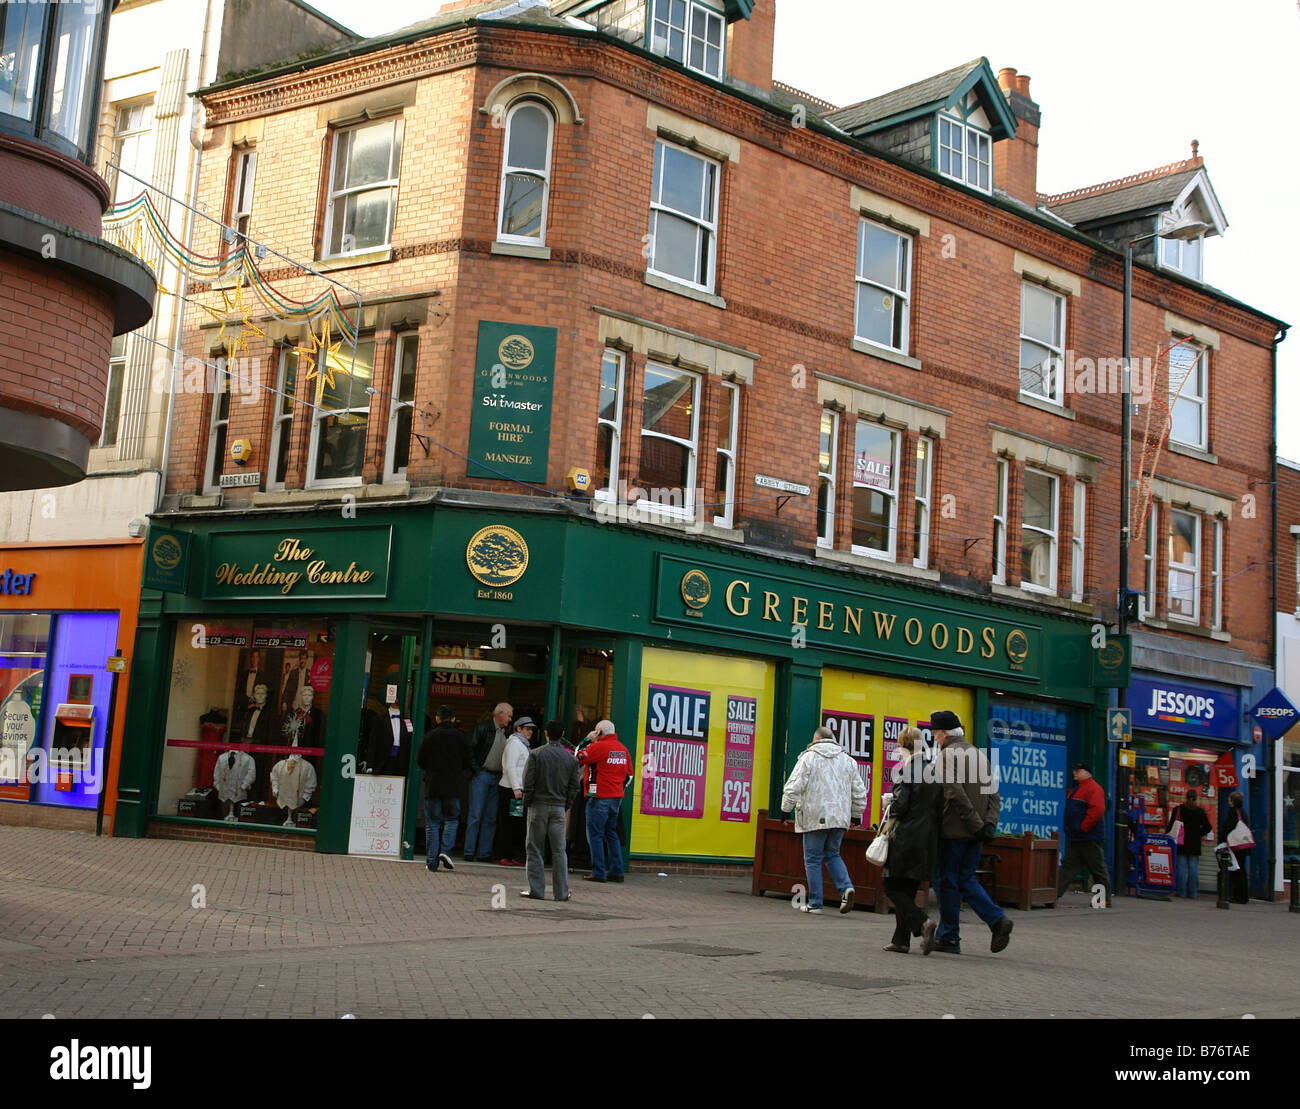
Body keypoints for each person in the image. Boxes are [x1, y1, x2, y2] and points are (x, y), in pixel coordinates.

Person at [925, 710, 1012, 955]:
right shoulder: (977, 754)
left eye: (935, 734)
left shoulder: (946, 755)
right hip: (977, 832)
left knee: (946, 881)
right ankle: (996, 921)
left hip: (953, 830)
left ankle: (951, 936)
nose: (935, 739)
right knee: (965, 878)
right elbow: (993, 795)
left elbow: (953, 792)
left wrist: (974, 823)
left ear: (943, 733)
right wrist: (988, 825)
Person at [779, 725, 867, 915]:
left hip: (814, 815)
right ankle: (846, 888)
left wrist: (785, 810)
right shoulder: (848, 761)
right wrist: (856, 815)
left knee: (812, 859)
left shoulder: (808, 758)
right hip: (839, 817)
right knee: (833, 853)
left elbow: (794, 786)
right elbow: (859, 791)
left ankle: (815, 903)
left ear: (816, 739)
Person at [880, 726, 943, 952]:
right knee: (907, 889)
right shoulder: (933, 771)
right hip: (927, 840)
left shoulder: (907, 771)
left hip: (906, 836)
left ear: (903, 746)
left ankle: (922, 922)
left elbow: (900, 806)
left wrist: (888, 802)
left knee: (891, 886)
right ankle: (901, 940)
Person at [520, 720, 583, 900]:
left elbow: (528, 782)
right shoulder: (571, 759)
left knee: (534, 848)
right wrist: (566, 805)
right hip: (558, 807)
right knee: (559, 851)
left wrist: (529, 802)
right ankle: (561, 893)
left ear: (546, 733)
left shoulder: (536, 754)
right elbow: (574, 787)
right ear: (563, 734)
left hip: (538, 806)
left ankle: (537, 890)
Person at [416, 705, 473, 872]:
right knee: (452, 820)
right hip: (453, 785)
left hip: (433, 784)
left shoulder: (429, 736)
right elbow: (469, 761)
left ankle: (431, 862)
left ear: (437, 718)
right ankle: (445, 851)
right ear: (453, 719)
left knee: (432, 824)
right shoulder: (461, 737)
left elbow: (420, 760)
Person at [576, 720, 632, 883]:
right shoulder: (623, 750)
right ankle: (616, 871)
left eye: (595, 731)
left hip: (600, 797)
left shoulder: (598, 747)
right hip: (616, 798)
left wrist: (587, 740)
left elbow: (577, 757)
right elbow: (629, 775)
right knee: (611, 833)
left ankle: (599, 871)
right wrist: (618, 788)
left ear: (599, 732)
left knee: (595, 834)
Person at [1057, 762, 1112, 906]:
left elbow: (1097, 811)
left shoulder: (1093, 788)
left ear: (1087, 773)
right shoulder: (1078, 789)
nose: (1074, 773)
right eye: (1074, 770)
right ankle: (1053, 894)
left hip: (1088, 837)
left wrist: (1082, 827)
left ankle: (1103, 900)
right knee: (1068, 867)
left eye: (1077, 770)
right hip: (1078, 836)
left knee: (1097, 869)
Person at [464, 702, 511, 862]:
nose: (510, 719)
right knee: (476, 814)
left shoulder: (506, 732)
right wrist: (476, 770)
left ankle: (484, 852)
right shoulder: (482, 728)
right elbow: (470, 748)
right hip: (483, 774)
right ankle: (469, 851)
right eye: (509, 715)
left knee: (490, 817)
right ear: (500, 714)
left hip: (497, 776)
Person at [496, 716, 533, 866]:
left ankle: (511, 855)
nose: (530, 732)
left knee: (515, 823)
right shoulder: (514, 744)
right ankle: (503, 854)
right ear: (518, 729)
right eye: (527, 729)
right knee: (508, 824)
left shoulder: (523, 744)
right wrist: (516, 788)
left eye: (531, 729)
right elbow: (510, 767)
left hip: (516, 789)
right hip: (510, 789)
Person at [1167, 787, 1213, 898]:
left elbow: (1171, 826)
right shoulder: (1200, 812)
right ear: (1196, 799)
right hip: (1194, 843)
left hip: (1181, 842)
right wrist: (1198, 834)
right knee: (1193, 868)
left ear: (1185, 797)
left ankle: (1181, 892)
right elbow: (1208, 827)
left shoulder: (1178, 810)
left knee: (1181, 868)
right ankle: (1193, 893)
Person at [1221, 790, 1253, 904]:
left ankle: (1238, 896)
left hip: (1236, 846)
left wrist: (1223, 838)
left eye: (1229, 799)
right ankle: (1243, 896)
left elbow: (1228, 828)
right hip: (1243, 846)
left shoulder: (1234, 813)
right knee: (1241, 871)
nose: (1228, 801)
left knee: (1236, 871)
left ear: (1233, 801)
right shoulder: (1243, 812)